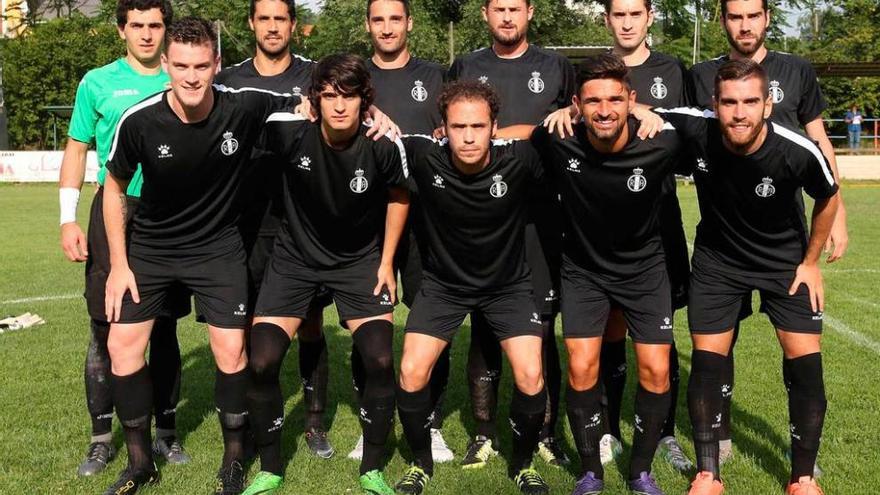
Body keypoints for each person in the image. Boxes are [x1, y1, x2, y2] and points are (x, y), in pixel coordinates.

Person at [101, 17, 300, 494]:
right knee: (121, 348)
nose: (192, 77)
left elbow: (308, 103)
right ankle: (139, 463)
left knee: (231, 352)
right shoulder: (140, 121)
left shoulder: (244, 106)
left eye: (202, 66)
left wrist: (373, 115)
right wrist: (120, 264)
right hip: (150, 249)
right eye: (182, 66)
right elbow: (112, 188)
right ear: (166, 65)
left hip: (217, 249)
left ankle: (233, 461)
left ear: (217, 66)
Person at [657, 59, 839, 495]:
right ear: (714, 103)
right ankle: (707, 475)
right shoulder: (695, 127)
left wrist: (810, 261)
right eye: (730, 102)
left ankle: (802, 478)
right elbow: (626, 110)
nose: (740, 113)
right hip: (718, 263)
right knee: (707, 363)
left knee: (805, 368)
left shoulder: (797, 149)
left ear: (768, 104)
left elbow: (828, 196)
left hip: (784, 264)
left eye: (750, 102)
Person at [689, 0, 847, 468]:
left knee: (800, 353)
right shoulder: (700, 75)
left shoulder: (796, 70)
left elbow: (817, 138)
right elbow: (677, 126)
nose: (744, 24)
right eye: (734, 16)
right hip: (721, 238)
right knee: (718, 344)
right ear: (723, 22)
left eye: (752, 15)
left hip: (784, 237)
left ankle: (803, 460)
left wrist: (835, 216)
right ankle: (716, 437)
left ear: (766, 20)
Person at [243, 54, 410, 495]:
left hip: (358, 263)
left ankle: (372, 468)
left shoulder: (382, 143)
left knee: (379, 359)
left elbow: (399, 197)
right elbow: (241, 109)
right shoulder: (289, 129)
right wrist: (295, 102)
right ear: (316, 98)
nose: (339, 106)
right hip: (293, 261)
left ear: (364, 101)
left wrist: (387, 261)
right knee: (260, 361)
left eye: (349, 97)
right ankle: (271, 467)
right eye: (330, 96)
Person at [530, 53, 682, 495]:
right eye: (592, 100)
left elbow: (716, 127)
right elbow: (516, 141)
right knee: (581, 367)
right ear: (577, 104)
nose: (604, 109)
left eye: (616, 99)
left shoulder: (662, 140)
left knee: (655, 369)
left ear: (632, 100)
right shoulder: (558, 137)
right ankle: (591, 470)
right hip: (583, 271)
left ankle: (640, 471)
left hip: (645, 271)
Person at [395, 80, 550, 495]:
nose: (468, 137)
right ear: (442, 129)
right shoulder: (423, 157)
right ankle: (420, 464)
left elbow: (559, 133)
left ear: (493, 127)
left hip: (508, 286)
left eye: (478, 126)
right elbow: (380, 129)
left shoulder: (519, 160)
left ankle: (522, 464)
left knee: (532, 375)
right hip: (444, 285)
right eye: (458, 127)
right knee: (411, 371)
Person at [58, 0, 191, 478]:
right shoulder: (97, 83)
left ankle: (166, 433)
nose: (147, 34)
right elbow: (76, 149)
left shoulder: (182, 74)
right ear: (122, 31)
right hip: (112, 210)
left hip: (168, 216)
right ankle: (101, 438)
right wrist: (66, 220)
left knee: (166, 327)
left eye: (156, 25)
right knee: (103, 327)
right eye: (137, 25)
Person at [447, 0, 576, 469]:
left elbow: (572, 124)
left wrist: (522, 133)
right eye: (498, 8)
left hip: (541, 215)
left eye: (514, 8)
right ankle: (483, 434)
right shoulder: (466, 65)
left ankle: (545, 432)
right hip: (484, 215)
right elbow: (452, 131)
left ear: (530, 12)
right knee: (484, 325)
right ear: (485, 14)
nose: (506, 17)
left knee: (542, 327)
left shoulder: (557, 66)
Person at [214, 0, 335, 459]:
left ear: (293, 26)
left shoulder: (314, 76)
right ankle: (249, 416)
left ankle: (315, 422)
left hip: (300, 219)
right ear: (251, 23)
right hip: (243, 219)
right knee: (242, 323)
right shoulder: (228, 81)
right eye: (263, 18)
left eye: (280, 18)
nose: (271, 27)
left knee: (308, 321)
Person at [344, 0, 454, 464]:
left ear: (409, 23)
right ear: (368, 25)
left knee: (431, 321)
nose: (387, 28)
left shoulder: (436, 77)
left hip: (428, 220)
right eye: (378, 19)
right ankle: (374, 420)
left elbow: (453, 137)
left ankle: (429, 422)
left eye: (395, 19)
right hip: (371, 221)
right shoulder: (354, 79)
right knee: (371, 327)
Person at [595, 0, 694, 472]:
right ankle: (610, 428)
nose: (628, 22)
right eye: (619, 14)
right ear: (608, 20)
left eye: (636, 13)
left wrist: (661, 116)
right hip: (605, 224)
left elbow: (695, 132)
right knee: (611, 326)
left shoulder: (674, 69)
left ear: (649, 16)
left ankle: (665, 432)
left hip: (659, 221)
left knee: (660, 331)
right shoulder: (594, 72)